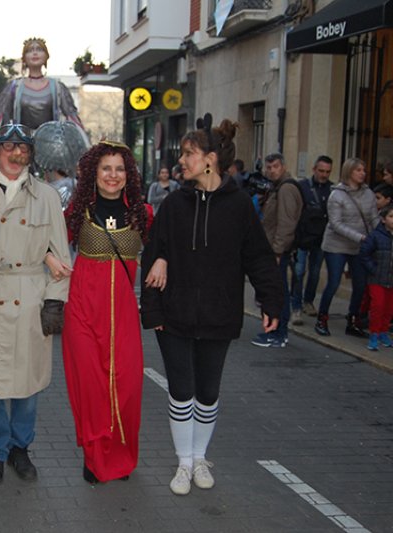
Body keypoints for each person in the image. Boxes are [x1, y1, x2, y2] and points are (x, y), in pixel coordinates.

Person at [141, 114, 282, 496]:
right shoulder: (173, 205)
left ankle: (200, 456)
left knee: (208, 391)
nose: (180, 161)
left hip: (220, 315)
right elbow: (152, 254)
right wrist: (153, 308)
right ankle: (184, 463)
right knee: (181, 390)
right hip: (174, 315)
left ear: (210, 159)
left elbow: (257, 257)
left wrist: (271, 302)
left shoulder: (239, 207)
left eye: (189, 153)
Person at [0, 122, 71, 486]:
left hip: (30, 300)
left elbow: (61, 256)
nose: (15, 154)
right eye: (8, 147)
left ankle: (20, 448)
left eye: (23, 148)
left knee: (27, 387)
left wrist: (55, 303)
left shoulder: (48, 197)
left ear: (31, 155)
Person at [62, 141, 150, 484]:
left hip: (124, 314)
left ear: (128, 175)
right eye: (106, 168)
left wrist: (163, 262)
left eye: (119, 169)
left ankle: (122, 455)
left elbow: (166, 246)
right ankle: (94, 457)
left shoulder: (143, 213)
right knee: (92, 385)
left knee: (126, 385)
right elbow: (46, 240)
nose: (113, 176)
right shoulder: (77, 211)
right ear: (93, 173)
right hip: (83, 309)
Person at [315, 157, 378, 337]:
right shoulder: (337, 195)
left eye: (363, 170)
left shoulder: (368, 194)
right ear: (349, 172)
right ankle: (322, 318)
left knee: (360, 284)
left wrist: (377, 235)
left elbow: (373, 218)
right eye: (359, 170)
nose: (363, 173)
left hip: (360, 245)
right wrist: (361, 237)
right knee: (334, 282)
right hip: (336, 245)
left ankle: (353, 320)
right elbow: (336, 223)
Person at [0, 38, 87, 146]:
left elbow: (72, 117)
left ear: (46, 56)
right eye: (29, 50)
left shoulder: (57, 87)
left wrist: (86, 145)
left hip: (51, 148)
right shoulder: (14, 87)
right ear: (24, 58)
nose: (35, 53)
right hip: (21, 147)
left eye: (39, 49)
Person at [250, 153, 302, 349]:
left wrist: (278, 252)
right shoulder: (276, 187)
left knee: (277, 291)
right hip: (272, 248)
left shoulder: (286, 188)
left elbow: (286, 224)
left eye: (275, 167)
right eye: (269, 167)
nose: (271, 170)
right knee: (276, 290)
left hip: (277, 250)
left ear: (283, 167)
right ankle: (276, 332)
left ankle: (277, 333)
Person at [290, 156, 333, 324]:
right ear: (314, 169)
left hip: (321, 238)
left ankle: (308, 300)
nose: (324, 175)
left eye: (327, 172)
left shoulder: (332, 189)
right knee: (299, 271)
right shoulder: (302, 186)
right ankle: (296, 307)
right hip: (302, 236)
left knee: (315, 272)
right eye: (321, 171)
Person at [359, 204, 393, 350]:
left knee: (389, 308)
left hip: (391, 280)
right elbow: (364, 254)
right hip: (377, 278)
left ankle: (383, 332)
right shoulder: (376, 236)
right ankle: (374, 334)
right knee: (377, 306)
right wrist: (373, 269)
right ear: (383, 219)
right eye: (391, 216)